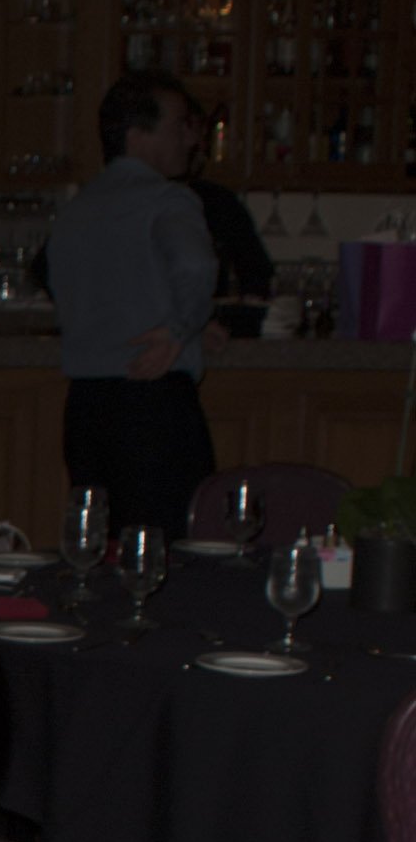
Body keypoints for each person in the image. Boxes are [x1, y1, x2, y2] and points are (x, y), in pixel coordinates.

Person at [43, 69, 221, 536]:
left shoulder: (74, 211)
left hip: (85, 407)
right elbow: (197, 268)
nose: (192, 139)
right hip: (153, 403)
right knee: (169, 547)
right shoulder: (168, 200)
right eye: (180, 124)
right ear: (138, 135)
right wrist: (182, 328)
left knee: (100, 547)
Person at [185, 103, 275, 339]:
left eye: (203, 139)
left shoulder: (219, 202)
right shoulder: (136, 204)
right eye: (189, 136)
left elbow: (257, 273)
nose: (200, 147)